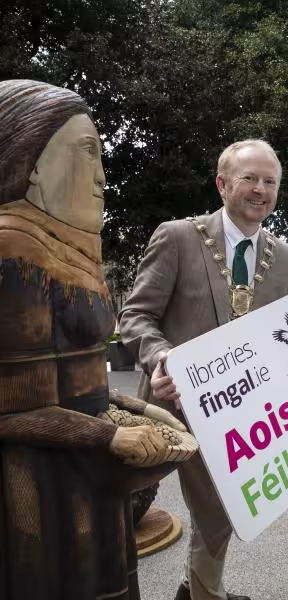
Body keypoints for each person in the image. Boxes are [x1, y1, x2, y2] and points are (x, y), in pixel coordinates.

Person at [0, 79, 181, 599]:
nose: (102, 177)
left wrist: (140, 410)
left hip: (85, 462)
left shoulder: (66, 248)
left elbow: (78, 380)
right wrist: (109, 436)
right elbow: (13, 403)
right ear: (32, 165)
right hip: (38, 479)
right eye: (88, 155)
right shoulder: (15, 250)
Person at [119, 139, 288, 600]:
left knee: (222, 513)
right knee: (145, 507)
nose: (261, 189)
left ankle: (197, 590)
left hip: (239, 414)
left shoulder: (285, 258)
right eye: (249, 179)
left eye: (270, 181)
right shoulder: (178, 236)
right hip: (170, 410)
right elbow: (135, 317)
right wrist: (161, 356)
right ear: (222, 184)